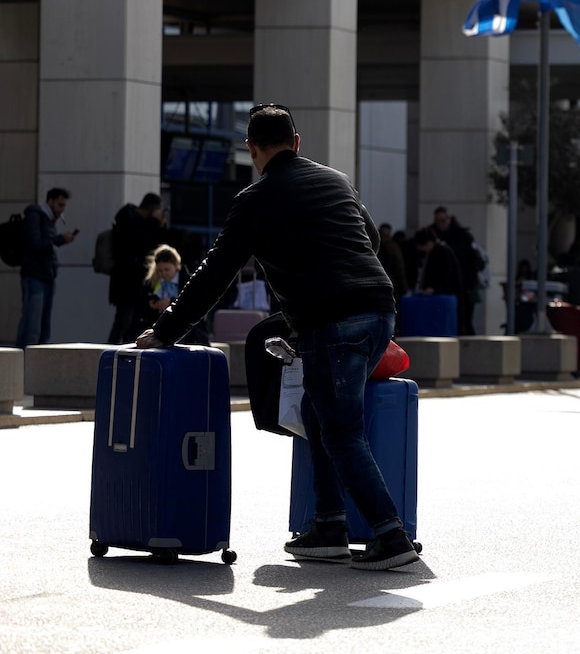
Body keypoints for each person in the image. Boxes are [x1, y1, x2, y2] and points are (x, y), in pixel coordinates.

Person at [134, 104, 418, 571]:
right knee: (316, 411)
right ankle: (329, 525)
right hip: (380, 310)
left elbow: (214, 274)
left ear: (251, 149)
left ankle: (390, 535)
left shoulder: (254, 200)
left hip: (332, 322)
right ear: (297, 142)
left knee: (341, 431)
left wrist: (165, 331)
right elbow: (369, 238)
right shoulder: (337, 181)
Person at [15, 188, 78, 348]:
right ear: (50, 201)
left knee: (43, 326)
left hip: (46, 276)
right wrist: (59, 239)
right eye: (60, 205)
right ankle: (25, 357)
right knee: (32, 324)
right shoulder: (35, 217)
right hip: (34, 276)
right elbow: (35, 245)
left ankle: (37, 356)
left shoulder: (48, 219)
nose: (62, 209)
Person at [108, 193, 166, 344]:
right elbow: (139, 242)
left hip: (138, 281)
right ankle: (111, 350)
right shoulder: (128, 219)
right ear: (152, 208)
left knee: (133, 324)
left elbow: (154, 244)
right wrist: (154, 222)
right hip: (126, 280)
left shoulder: (143, 222)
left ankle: (125, 349)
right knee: (123, 322)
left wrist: (157, 224)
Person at [129, 244, 208, 345]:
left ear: (176, 266)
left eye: (167, 270)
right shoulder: (152, 282)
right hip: (157, 328)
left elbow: (192, 305)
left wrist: (170, 302)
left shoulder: (187, 281)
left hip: (183, 333)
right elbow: (140, 306)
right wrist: (151, 305)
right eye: (160, 271)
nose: (163, 273)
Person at [430, 207, 481, 334]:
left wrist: (469, 284)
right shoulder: (434, 237)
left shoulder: (464, 237)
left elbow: (473, 262)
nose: (440, 223)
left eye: (443, 220)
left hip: (464, 287)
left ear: (449, 220)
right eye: (437, 220)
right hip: (445, 289)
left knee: (465, 320)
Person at [415, 228, 465, 302]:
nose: (422, 249)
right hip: (440, 295)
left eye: (422, 246)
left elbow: (447, 275)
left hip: (445, 296)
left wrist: (434, 288)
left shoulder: (442, 252)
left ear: (429, 242)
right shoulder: (433, 252)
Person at [376, 223, 410, 298]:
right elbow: (399, 269)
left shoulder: (372, 244)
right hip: (390, 284)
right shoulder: (393, 246)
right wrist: (404, 289)